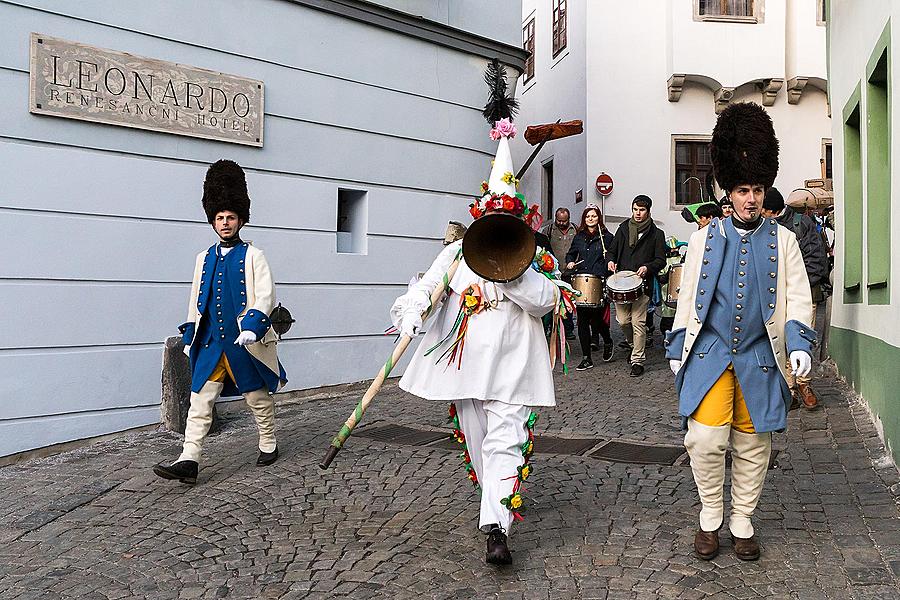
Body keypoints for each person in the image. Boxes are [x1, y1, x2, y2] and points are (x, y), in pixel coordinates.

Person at [391, 118, 567, 565]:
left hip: (513, 364)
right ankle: (497, 502)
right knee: (477, 440)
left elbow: (548, 300)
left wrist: (512, 272)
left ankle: (496, 528)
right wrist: (412, 312)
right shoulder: (455, 253)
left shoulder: (535, 256)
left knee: (506, 441)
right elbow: (427, 288)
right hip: (467, 367)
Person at [666, 102, 816, 561]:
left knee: (754, 444)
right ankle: (711, 516)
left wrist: (798, 343)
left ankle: (743, 520)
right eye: (743, 190)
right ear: (728, 192)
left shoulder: (785, 240)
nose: (751, 198)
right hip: (710, 353)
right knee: (705, 439)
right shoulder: (702, 239)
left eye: (758, 189)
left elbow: (798, 297)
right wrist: (677, 345)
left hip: (758, 355)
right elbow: (687, 297)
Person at [153, 160, 287, 485]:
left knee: (256, 398)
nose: (225, 223)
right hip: (212, 342)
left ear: (241, 219)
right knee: (200, 401)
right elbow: (196, 299)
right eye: (219, 218)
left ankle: (268, 442)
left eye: (230, 217)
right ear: (212, 221)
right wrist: (190, 335)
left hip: (243, 342)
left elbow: (265, 295)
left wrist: (254, 325)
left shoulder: (255, 256)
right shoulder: (203, 258)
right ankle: (189, 459)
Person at [761, 188, 830, 409]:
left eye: (763, 210)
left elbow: (816, 259)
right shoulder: (762, 227)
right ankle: (788, 389)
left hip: (804, 294)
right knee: (779, 341)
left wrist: (795, 285)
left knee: (800, 339)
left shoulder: (802, 224)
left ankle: (804, 384)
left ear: (771, 211)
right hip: (775, 298)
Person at [605, 195, 667, 377]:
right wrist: (610, 261)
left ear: (648, 211)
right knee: (623, 321)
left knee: (638, 323)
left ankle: (638, 360)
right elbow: (612, 251)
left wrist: (648, 267)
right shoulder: (623, 229)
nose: (638, 213)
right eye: (635, 209)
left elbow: (660, 260)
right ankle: (634, 346)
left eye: (641, 210)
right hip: (621, 284)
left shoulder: (657, 234)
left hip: (643, 285)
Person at [565, 205, 615, 369]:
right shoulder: (579, 237)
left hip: (598, 279)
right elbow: (571, 253)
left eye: (593, 216)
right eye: (588, 216)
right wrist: (570, 261)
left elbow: (611, 255)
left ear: (598, 218)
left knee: (597, 319)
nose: (591, 219)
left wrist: (610, 263)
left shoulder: (606, 237)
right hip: (581, 280)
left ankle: (607, 340)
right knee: (583, 319)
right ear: (584, 219)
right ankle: (587, 357)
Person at [541, 208, 579, 339]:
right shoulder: (549, 230)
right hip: (553, 272)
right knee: (552, 300)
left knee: (568, 300)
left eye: (564, 220)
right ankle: (550, 327)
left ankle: (568, 329)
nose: (562, 223)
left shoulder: (575, 229)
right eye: (559, 220)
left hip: (570, 272)